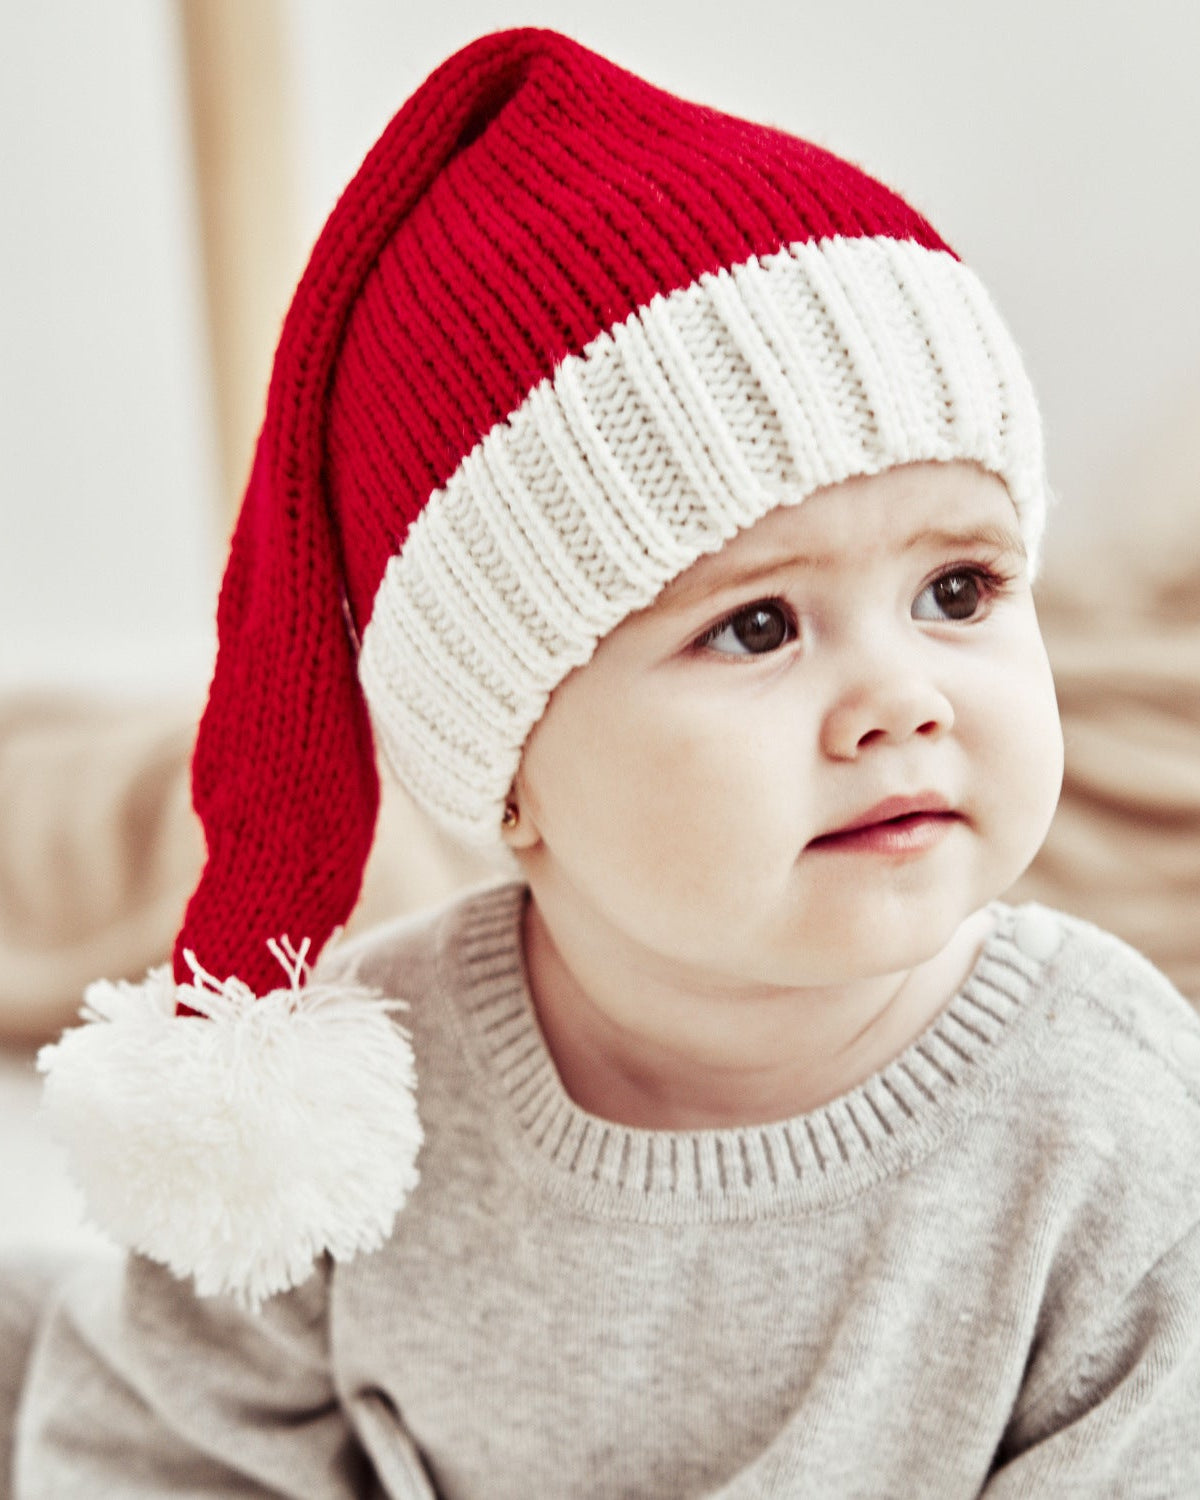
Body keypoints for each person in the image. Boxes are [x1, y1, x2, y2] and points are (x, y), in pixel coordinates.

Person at [8, 26, 1200, 1499]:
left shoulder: (1110, 1120)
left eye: (959, 591)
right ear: (506, 767)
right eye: (757, 627)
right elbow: (150, 1445)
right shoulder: (359, 1110)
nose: (900, 702)